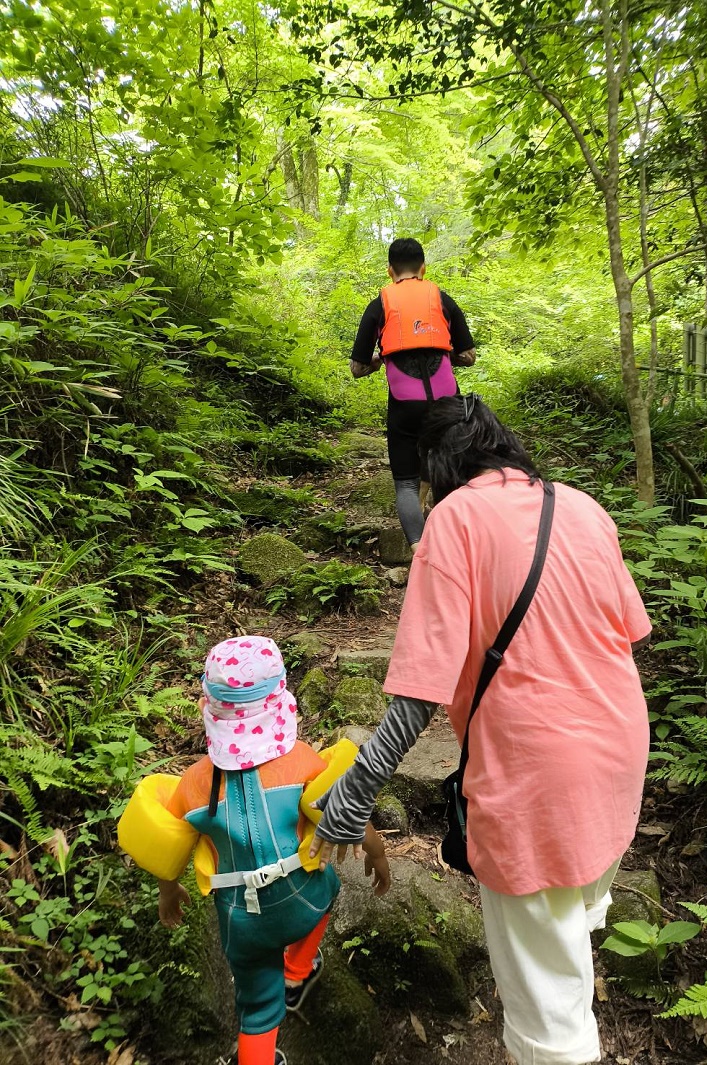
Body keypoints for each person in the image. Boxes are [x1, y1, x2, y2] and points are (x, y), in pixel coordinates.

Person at [308, 396, 652, 1065]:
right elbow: (629, 634)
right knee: (567, 928)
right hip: (620, 753)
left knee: (551, 1021)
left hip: (537, 781)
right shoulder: (581, 506)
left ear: (438, 465)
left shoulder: (453, 520)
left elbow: (417, 699)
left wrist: (351, 797)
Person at [118, 634, 390, 1065]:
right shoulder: (302, 761)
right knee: (330, 891)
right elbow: (345, 812)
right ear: (280, 702)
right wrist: (376, 853)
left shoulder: (191, 785)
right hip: (303, 895)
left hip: (240, 920)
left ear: (209, 709)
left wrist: (167, 891)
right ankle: (297, 975)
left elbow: (165, 846)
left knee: (258, 1011)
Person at [349, 237, 476, 551]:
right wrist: (448, 355)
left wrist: (381, 360)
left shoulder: (379, 304)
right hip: (448, 404)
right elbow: (469, 356)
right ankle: (459, 549)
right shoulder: (442, 299)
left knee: (406, 485)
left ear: (390, 271)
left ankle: (421, 553)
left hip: (405, 407)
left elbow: (357, 368)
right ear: (423, 268)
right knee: (453, 478)